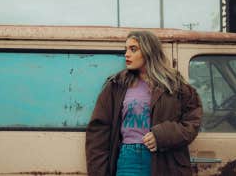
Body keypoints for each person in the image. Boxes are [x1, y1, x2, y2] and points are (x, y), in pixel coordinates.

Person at [86, 31, 203, 176]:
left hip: (166, 160)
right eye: (126, 49)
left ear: (149, 51)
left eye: (133, 49)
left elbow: (192, 122)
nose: (127, 54)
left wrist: (162, 135)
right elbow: (98, 132)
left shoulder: (174, 85)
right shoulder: (117, 85)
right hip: (128, 159)